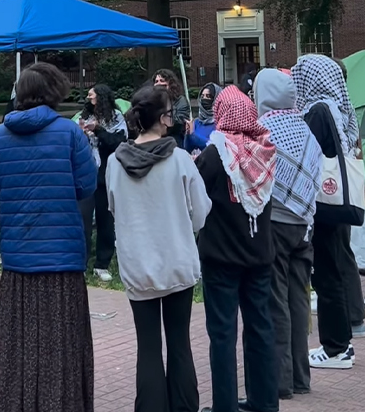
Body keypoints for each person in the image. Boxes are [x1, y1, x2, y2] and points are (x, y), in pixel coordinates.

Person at [0, 63, 100, 412]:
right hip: (62, 256)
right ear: (53, 92)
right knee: (62, 341)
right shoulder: (69, 132)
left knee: (18, 342)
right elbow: (87, 184)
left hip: (18, 256)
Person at [109, 83, 210, 412]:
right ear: (165, 118)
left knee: (148, 346)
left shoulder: (114, 163)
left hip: (138, 263)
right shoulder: (180, 159)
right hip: (177, 260)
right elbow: (201, 211)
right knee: (179, 343)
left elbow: (113, 207)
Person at [196, 84, 278, 412]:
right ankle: (264, 401)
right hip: (259, 256)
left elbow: (196, 196)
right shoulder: (266, 150)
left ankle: (225, 406)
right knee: (260, 329)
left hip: (221, 257)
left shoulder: (216, 154)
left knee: (222, 334)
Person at [294, 54, 364, 361]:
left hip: (324, 203)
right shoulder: (339, 110)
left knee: (326, 275)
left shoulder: (319, 111)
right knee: (334, 269)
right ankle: (341, 342)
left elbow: (308, 151)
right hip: (338, 201)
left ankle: (335, 347)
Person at [256, 68, 319, 397]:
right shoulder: (304, 127)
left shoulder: (265, 128)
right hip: (304, 223)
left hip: (276, 221)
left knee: (276, 301)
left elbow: (257, 175)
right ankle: (301, 376)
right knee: (299, 301)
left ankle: (280, 381)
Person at [79, 83, 128, 282]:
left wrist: (98, 130)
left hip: (107, 174)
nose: (88, 98)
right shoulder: (82, 117)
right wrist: (83, 133)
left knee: (105, 220)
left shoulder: (116, 118)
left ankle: (102, 264)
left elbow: (118, 143)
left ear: (102, 97)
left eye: (92, 96)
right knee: (83, 220)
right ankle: (80, 263)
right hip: (86, 173)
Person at [184, 83, 220, 154]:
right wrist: (188, 134)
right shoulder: (196, 122)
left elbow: (213, 147)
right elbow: (187, 148)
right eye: (202, 96)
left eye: (208, 96)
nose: (204, 99)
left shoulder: (219, 123)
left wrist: (193, 135)